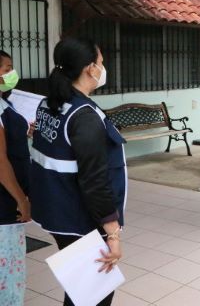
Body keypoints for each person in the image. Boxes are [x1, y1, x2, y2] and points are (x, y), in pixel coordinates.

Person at [29, 38, 127, 306]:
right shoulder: (83, 116)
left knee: (80, 290)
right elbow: (95, 181)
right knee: (94, 294)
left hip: (57, 214)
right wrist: (113, 234)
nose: (103, 68)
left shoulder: (50, 104)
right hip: (79, 220)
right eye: (101, 62)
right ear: (89, 69)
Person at [0, 51, 31, 305]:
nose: (12, 73)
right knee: (7, 268)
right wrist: (21, 199)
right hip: (4, 201)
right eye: (6, 68)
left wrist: (23, 132)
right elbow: (0, 162)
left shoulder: (4, 103)